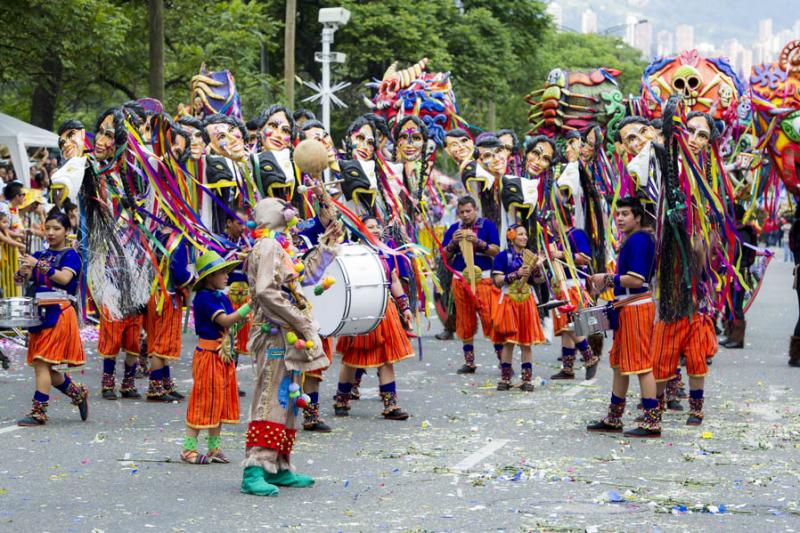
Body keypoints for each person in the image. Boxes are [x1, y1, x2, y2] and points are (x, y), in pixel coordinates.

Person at [586, 197, 660, 438]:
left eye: (625, 213)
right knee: (619, 364)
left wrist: (607, 279)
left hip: (636, 307)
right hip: (626, 307)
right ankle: (614, 417)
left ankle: (652, 422)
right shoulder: (635, 239)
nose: (619, 218)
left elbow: (637, 280)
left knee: (641, 365)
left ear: (637, 217)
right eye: (617, 213)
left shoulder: (639, 240)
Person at [334, 216, 414, 419]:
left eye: (377, 227)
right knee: (352, 358)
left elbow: (393, 280)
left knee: (387, 358)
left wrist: (404, 306)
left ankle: (391, 405)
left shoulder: (385, 252)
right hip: (360, 308)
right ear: (360, 230)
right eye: (370, 227)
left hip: (385, 310)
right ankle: (341, 399)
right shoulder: (352, 253)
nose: (376, 230)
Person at [16, 210, 89, 426]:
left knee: (41, 363)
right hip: (39, 313)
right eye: (47, 228)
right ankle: (77, 393)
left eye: (56, 228)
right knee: (44, 366)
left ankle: (39, 412)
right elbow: (21, 280)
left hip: (59, 311)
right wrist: (22, 271)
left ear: (66, 231)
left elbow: (65, 278)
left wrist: (39, 265)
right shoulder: (39, 255)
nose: (50, 232)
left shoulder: (71, 255)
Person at [181, 250, 249, 464]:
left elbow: (235, 323)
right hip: (208, 356)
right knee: (203, 401)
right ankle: (188, 449)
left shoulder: (221, 296)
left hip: (222, 356)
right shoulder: (204, 298)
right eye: (222, 272)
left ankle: (214, 448)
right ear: (210, 277)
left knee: (218, 402)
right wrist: (251, 305)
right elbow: (227, 321)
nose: (227, 276)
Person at [442, 196, 500, 374]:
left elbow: (496, 251)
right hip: (460, 280)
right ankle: (469, 362)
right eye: (462, 212)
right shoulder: (454, 229)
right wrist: (453, 242)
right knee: (464, 321)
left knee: (491, 320)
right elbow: (444, 254)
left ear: (476, 209)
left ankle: (503, 362)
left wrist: (478, 242)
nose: (465, 215)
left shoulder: (488, 226)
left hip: (483, 279)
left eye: (468, 211)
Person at [491, 225, 545, 391]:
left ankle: (526, 379)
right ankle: (505, 379)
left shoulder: (530, 256)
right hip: (509, 299)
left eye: (525, 234)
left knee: (526, 342)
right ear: (511, 236)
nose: (524, 237)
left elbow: (539, 281)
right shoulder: (502, 257)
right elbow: (498, 280)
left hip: (526, 300)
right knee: (509, 341)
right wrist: (517, 274)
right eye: (520, 234)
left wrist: (538, 269)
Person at [144, 228, 195, 401]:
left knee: (158, 341)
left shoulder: (155, 234)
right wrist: (195, 280)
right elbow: (180, 274)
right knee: (163, 344)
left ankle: (165, 384)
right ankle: (155, 387)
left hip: (154, 295)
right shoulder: (177, 240)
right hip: (168, 297)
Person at [222, 208, 252, 398]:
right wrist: (238, 256)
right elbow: (217, 264)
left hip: (244, 298)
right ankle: (223, 380)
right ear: (229, 223)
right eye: (239, 223)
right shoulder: (217, 242)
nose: (243, 228)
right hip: (226, 296)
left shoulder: (248, 242)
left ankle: (230, 379)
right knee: (225, 340)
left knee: (238, 343)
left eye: (245, 224)